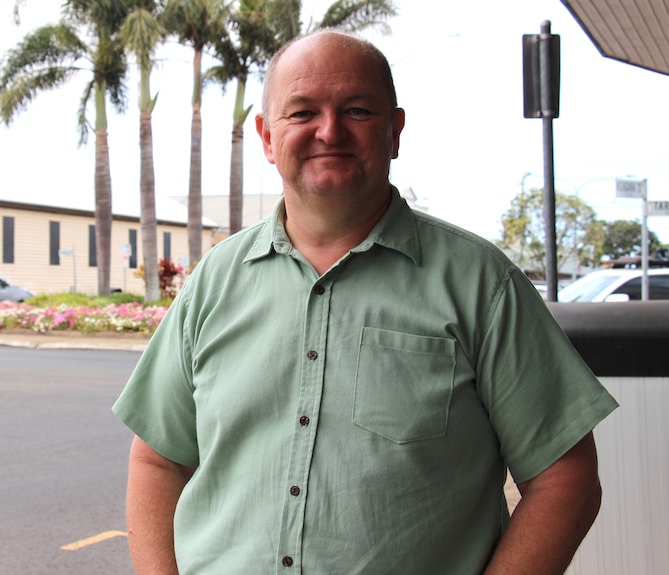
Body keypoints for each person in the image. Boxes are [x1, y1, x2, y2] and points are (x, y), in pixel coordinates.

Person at [113, 30, 618, 574]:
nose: (329, 131)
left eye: (356, 109)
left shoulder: (481, 284)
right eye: (301, 112)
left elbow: (565, 480)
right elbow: (157, 460)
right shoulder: (214, 281)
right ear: (265, 136)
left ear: (395, 131)